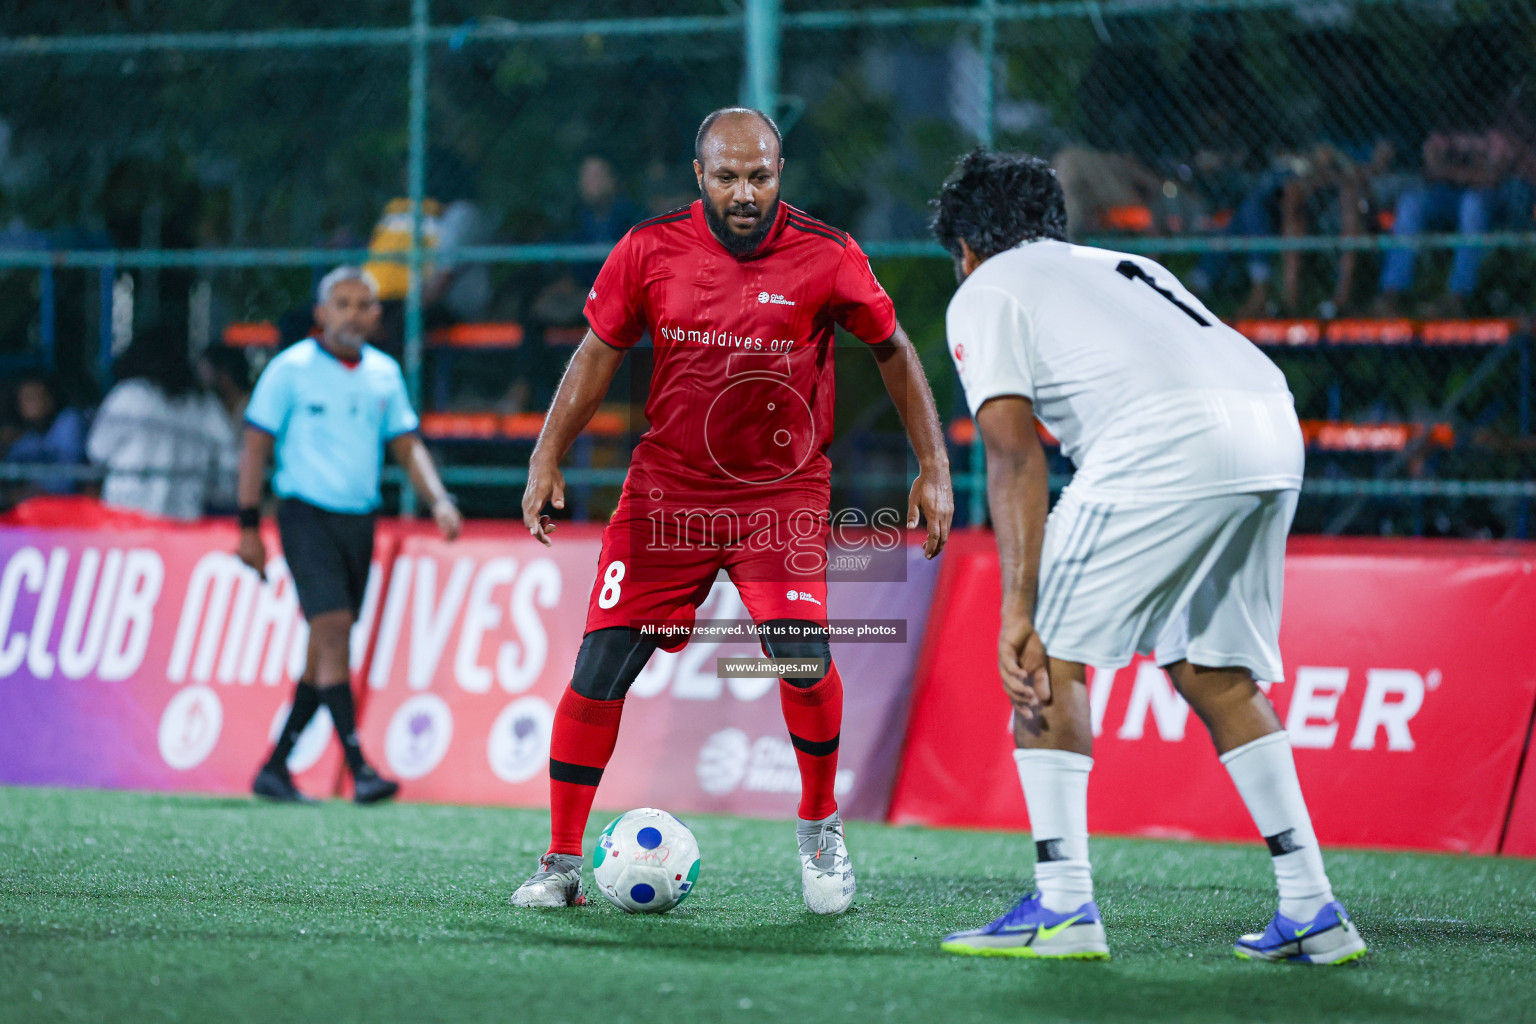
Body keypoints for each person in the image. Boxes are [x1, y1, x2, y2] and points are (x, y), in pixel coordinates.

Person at [510, 108, 954, 913]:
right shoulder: (648, 248)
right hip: (666, 494)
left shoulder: (828, 254)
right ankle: (563, 862)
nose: (745, 193)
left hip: (777, 499)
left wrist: (933, 466)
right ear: (699, 177)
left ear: (780, 172)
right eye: (728, 178)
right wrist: (547, 454)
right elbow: (596, 352)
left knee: (802, 658)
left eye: (761, 176)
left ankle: (820, 829)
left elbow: (892, 347)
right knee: (598, 670)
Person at [930, 150, 1365, 964]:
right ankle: (1312, 908)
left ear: (966, 247)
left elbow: (1014, 455)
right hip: (1272, 426)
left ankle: (1062, 908)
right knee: (1214, 669)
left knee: (1044, 659)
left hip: (1168, 441)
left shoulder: (985, 288)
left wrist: (1018, 608)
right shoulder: (1123, 262)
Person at [238, 266, 463, 805]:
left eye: (362, 305)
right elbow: (254, 448)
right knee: (334, 627)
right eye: (341, 304)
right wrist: (248, 527)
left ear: (376, 315)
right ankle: (360, 767)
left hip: (358, 520)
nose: (351, 314)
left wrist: (439, 500)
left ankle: (274, 765)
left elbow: (407, 445)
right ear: (320, 313)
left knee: (325, 646)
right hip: (303, 514)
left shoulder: (384, 373)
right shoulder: (288, 370)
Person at [87, 324, 237, 521]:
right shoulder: (204, 404)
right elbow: (230, 463)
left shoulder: (130, 395)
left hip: (126, 519)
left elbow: (97, 451)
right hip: (184, 522)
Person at [4, 374, 87, 498]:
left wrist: (32, 491)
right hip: (36, 505)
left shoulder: (69, 421)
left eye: (39, 396)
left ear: (50, 398)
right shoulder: (27, 438)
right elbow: (9, 472)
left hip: (68, 503)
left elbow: (69, 476)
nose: (34, 404)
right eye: (28, 399)